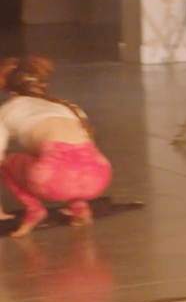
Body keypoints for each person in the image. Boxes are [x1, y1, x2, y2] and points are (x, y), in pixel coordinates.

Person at [0, 57, 112, 236]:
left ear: (12, 92)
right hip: (98, 177)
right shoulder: (68, 107)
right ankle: (79, 207)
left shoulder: (8, 110)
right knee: (72, 159)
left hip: (53, 178)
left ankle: (34, 209)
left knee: (6, 163)